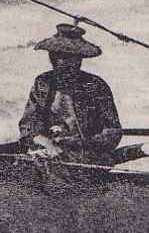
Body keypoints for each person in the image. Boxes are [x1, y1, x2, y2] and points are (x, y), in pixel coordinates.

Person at [17, 22, 123, 164]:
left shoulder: (95, 85)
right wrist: (47, 143)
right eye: (57, 56)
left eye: (69, 58)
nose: (62, 62)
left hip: (87, 159)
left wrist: (81, 145)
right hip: (48, 156)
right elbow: (28, 126)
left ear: (79, 59)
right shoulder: (43, 83)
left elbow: (113, 131)